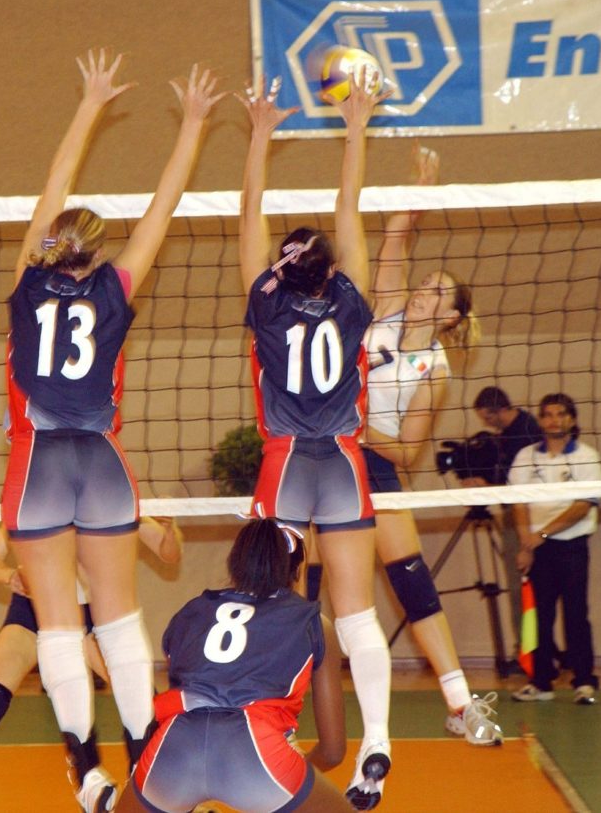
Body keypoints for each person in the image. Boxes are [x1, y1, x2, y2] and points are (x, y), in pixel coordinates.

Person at [1, 49, 223, 812]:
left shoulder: (27, 281)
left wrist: (90, 104)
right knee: (120, 613)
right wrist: (192, 124)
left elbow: (51, 190)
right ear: (98, 251)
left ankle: (86, 771)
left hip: (36, 460)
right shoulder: (118, 287)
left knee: (58, 619)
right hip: (99, 458)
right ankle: (144, 760)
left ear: (51, 244)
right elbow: (164, 208)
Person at [309, 144, 502, 746]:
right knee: (303, 587)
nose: (426, 289)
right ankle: (279, 708)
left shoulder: (434, 369)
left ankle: (459, 702)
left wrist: (359, 427)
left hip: (369, 460)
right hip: (322, 457)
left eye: (440, 291)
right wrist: (420, 190)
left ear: (450, 317)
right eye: (428, 281)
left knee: (412, 580)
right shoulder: (385, 310)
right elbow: (393, 240)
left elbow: (409, 452)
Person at [237, 73, 392, 810]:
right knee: (358, 612)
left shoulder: (264, 306)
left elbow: (248, 216)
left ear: (281, 266)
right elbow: (348, 206)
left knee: (276, 602)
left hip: (287, 462)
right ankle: (377, 742)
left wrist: (259, 136)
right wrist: (355, 127)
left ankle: (267, 729)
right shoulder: (353, 297)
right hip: (345, 461)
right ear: (332, 269)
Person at [0, 517, 183, 813]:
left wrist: (170, 532)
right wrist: (9, 575)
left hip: (94, 618)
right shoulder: (36, 505)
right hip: (32, 614)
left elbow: (169, 553)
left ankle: (162, 794)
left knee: (146, 704)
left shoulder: (107, 501)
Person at [116, 519, 350, 813]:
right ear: (298, 574)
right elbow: (332, 752)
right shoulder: (312, 622)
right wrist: (291, 772)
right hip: (257, 751)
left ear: (234, 566)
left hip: (173, 749)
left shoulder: (190, 613)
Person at [508, 394, 601, 705]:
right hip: (536, 548)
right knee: (538, 615)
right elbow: (519, 503)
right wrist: (527, 544)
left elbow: (583, 506)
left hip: (571, 547)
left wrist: (543, 533)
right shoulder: (526, 456)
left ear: (571, 420)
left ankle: (584, 682)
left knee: (576, 614)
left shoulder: (586, 456)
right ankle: (540, 682)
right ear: (541, 420)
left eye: (560, 414)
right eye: (547, 415)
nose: (553, 420)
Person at [469, 385, 545, 666]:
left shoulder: (527, 432)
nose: (486, 424)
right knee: (523, 587)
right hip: (513, 513)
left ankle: (530, 653)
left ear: (496, 410)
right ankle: (531, 650)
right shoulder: (506, 436)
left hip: (527, 516)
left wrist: (488, 487)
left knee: (521, 586)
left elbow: (523, 484)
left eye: (487, 418)